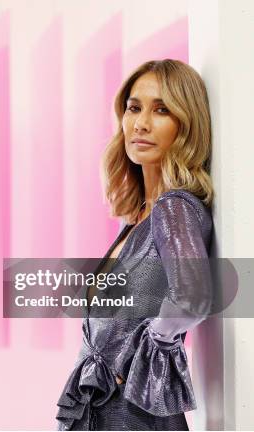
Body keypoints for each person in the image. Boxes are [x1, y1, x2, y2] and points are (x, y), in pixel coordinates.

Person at [55, 59, 214, 431]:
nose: (140, 123)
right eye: (133, 107)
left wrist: (148, 350)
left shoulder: (173, 207)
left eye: (161, 110)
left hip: (131, 418)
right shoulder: (139, 216)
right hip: (97, 412)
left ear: (186, 125)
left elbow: (193, 295)